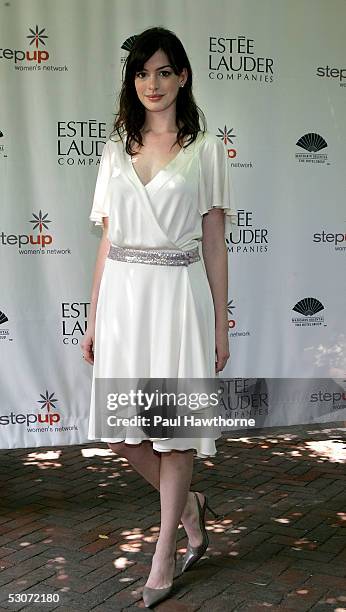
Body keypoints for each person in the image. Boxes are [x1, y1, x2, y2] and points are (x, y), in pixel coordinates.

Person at [81, 26, 238, 608]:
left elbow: (216, 245)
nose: (152, 83)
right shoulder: (118, 145)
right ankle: (191, 505)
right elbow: (107, 239)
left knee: (176, 440)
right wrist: (94, 317)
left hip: (178, 297)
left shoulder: (206, 149)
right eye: (143, 73)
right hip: (124, 298)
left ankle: (165, 550)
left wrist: (221, 322)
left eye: (164, 71)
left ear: (183, 77)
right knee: (122, 432)